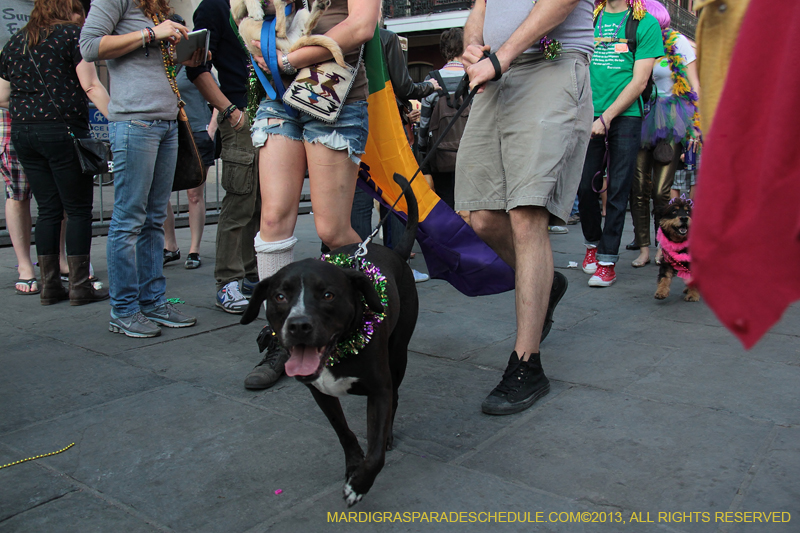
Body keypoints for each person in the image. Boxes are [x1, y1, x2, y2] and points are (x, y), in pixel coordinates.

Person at [457, 0, 593, 415]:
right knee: (479, 216)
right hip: (497, 74)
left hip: (550, 64)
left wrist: (501, 57)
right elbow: (482, 4)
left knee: (525, 214)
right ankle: (546, 284)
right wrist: (473, 45)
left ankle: (526, 365)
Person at [243, 0, 380, 387]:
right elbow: (252, 21)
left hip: (332, 86)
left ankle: (366, 323)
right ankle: (279, 341)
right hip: (276, 94)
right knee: (272, 219)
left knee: (334, 230)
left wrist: (290, 59)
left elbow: (362, 25)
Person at [80, 0, 202, 337]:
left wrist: (183, 52)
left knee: (152, 219)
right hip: (135, 121)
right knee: (128, 218)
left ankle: (152, 302)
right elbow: (90, 46)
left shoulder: (155, 6)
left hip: (165, 120)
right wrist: (151, 33)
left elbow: (145, 62)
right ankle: (123, 310)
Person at [0, 0, 111, 306]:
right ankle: (79, 286)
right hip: (64, 132)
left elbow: (1, 94)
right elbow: (91, 86)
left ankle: (50, 286)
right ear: (69, 9)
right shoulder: (72, 37)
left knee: (48, 210)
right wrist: (119, 120)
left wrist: (31, 110)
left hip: (24, 133)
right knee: (77, 210)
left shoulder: (18, 40)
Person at [576, 0, 663, 287]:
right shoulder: (588, 18)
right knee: (584, 184)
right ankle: (592, 242)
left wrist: (608, 117)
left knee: (618, 188)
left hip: (626, 115)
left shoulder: (646, 23)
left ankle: (607, 261)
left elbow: (640, 82)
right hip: (589, 111)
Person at [186, 0, 261, 318]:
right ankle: (228, 281)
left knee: (262, 202)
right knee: (241, 199)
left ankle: (250, 276)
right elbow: (195, 67)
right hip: (243, 114)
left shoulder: (259, 6)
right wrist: (230, 112)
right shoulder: (214, 7)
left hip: (269, 113)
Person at [629, 0, 700, 268]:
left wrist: (696, 126)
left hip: (671, 119)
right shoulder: (637, 40)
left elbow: (695, 87)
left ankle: (665, 245)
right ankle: (644, 248)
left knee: (660, 190)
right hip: (640, 115)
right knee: (637, 188)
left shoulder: (678, 42)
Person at [1, 0, 36, 296]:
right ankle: (25, 264)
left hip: (48, 108)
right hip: (10, 109)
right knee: (17, 190)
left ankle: (63, 261)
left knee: (60, 194)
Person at [163, 66, 211, 271]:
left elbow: (216, 92)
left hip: (196, 131)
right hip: (167, 132)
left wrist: (212, 128)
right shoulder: (160, 66)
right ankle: (170, 246)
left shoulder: (192, 66)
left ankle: (194, 249)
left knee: (194, 194)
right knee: (161, 192)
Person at [418, 27, 465, 211]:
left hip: (441, 156)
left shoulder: (433, 79)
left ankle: (450, 237)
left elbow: (424, 122)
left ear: (444, 50)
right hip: (469, 154)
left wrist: (423, 151)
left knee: (446, 201)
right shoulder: (472, 77)